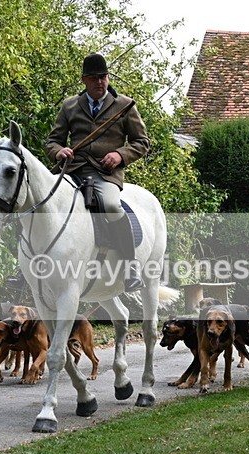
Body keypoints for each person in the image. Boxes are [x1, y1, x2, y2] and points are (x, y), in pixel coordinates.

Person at [45, 53, 150, 292]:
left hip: (105, 172)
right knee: (41, 200)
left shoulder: (125, 105)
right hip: (73, 169)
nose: (99, 82)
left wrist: (120, 155)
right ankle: (25, 267)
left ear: (108, 77)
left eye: (103, 77)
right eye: (93, 78)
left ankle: (129, 267)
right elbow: (52, 141)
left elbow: (142, 142)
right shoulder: (70, 105)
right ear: (84, 80)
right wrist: (59, 151)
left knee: (112, 205)